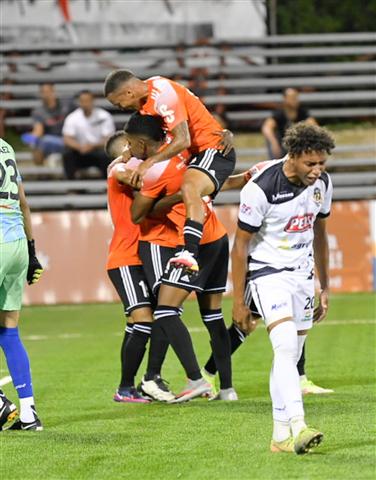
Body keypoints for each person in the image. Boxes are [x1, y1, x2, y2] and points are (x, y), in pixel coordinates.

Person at [231, 123, 335, 454]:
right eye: (310, 164)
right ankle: (299, 424)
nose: (317, 171)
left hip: (303, 276)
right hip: (268, 274)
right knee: (286, 346)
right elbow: (240, 245)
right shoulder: (261, 188)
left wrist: (324, 284)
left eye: (322, 163)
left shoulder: (323, 184)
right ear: (292, 156)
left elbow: (319, 233)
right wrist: (237, 301)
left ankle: (279, 438)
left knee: (288, 354)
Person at [122, 113, 235, 402]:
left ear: (141, 144)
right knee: (212, 316)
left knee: (165, 310)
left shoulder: (156, 171)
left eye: (131, 144)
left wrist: (176, 197)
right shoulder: (189, 153)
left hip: (193, 242)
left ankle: (192, 379)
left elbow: (137, 214)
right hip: (217, 236)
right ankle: (227, 389)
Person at [104, 69, 235, 275]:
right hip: (195, 156)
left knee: (189, 186)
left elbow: (183, 139)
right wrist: (128, 153)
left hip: (211, 149)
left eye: (117, 102)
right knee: (190, 189)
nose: (120, 108)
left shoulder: (162, 94)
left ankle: (189, 253)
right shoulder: (148, 104)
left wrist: (148, 163)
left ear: (129, 92)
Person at [0, 138, 44, 431]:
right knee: (8, 329)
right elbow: (23, 201)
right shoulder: (6, 147)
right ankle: (29, 414)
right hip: (15, 241)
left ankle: (1, 405)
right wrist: (31, 252)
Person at [62, 90, 115, 179]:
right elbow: (67, 138)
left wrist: (93, 146)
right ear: (79, 102)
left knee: (107, 156)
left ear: (92, 101)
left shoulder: (104, 116)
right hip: (80, 151)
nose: (85, 104)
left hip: (99, 151)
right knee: (67, 155)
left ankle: (107, 187)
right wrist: (80, 147)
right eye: (83, 101)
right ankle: (72, 187)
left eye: (87, 101)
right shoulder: (72, 117)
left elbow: (109, 138)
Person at [21, 83, 71, 165]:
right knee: (38, 143)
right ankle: (42, 172)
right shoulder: (38, 112)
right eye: (43, 92)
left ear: (53, 91)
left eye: (48, 91)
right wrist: (30, 138)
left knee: (42, 141)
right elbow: (38, 130)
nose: (46, 94)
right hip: (51, 142)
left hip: (70, 139)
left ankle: (44, 170)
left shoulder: (67, 105)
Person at [262, 88, 317, 160]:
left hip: (297, 144)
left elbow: (314, 126)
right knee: (271, 142)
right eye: (291, 98)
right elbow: (267, 128)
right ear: (285, 99)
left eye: (295, 97)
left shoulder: (302, 112)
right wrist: (274, 143)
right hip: (282, 144)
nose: (294, 100)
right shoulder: (280, 113)